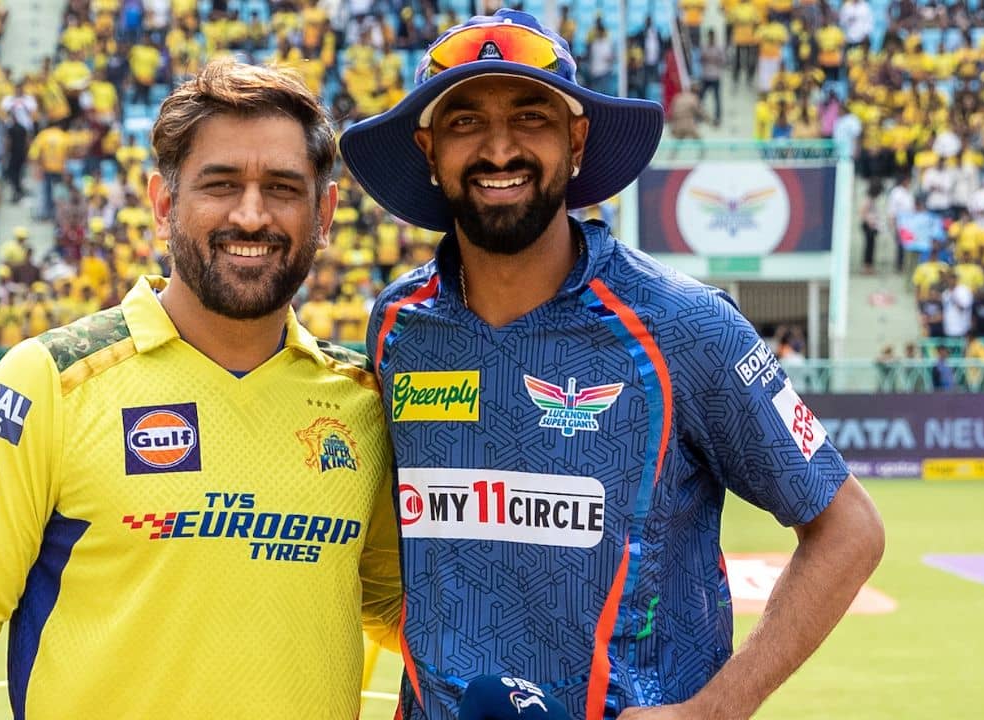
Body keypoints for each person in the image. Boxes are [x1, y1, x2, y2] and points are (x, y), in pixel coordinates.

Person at [340, 9, 884, 719]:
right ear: (429, 150)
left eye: (531, 116)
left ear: (575, 141)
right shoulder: (398, 327)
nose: (499, 149)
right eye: (466, 121)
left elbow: (849, 530)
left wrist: (714, 710)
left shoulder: (683, 325)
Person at [0, 60, 401, 718]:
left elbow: (399, 609)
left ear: (324, 212)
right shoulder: (51, 380)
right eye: (220, 185)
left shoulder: (364, 403)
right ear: (164, 206)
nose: (252, 215)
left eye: (282, 188)